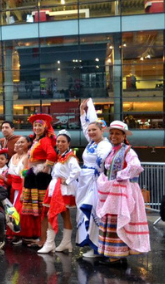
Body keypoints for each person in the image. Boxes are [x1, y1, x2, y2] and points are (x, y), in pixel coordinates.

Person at [94, 121, 150, 266]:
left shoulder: (128, 151)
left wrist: (120, 176)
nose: (113, 136)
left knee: (118, 220)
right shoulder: (113, 150)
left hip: (122, 190)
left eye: (117, 133)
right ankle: (115, 255)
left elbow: (136, 166)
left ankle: (116, 257)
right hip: (115, 190)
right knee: (113, 220)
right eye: (111, 133)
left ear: (123, 135)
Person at [77, 98, 111, 258]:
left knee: (94, 212)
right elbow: (85, 126)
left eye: (94, 130)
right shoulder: (91, 143)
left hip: (96, 183)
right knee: (84, 212)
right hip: (85, 182)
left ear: (102, 130)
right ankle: (90, 242)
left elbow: (104, 161)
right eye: (89, 131)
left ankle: (98, 247)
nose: (90, 133)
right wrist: (83, 112)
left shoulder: (105, 145)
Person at [39, 130, 80, 254]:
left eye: (63, 141)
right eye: (58, 141)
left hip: (63, 190)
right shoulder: (60, 156)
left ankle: (51, 243)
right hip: (56, 187)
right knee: (63, 214)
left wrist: (67, 181)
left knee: (53, 213)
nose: (60, 144)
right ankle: (65, 243)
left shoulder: (70, 157)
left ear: (69, 143)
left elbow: (77, 170)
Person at [22, 113, 57, 248]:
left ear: (45, 127)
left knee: (44, 210)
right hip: (34, 176)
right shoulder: (36, 141)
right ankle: (42, 239)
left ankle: (45, 241)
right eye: (35, 125)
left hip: (41, 178)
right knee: (40, 210)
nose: (37, 128)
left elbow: (52, 154)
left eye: (39, 125)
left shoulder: (44, 140)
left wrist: (46, 168)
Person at [6, 136, 30, 245]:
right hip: (13, 187)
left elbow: (25, 175)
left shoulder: (26, 158)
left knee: (19, 211)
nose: (18, 144)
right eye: (17, 142)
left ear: (28, 144)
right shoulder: (13, 156)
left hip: (21, 186)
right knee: (11, 211)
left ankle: (19, 234)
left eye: (22, 142)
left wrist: (24, 191)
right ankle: (13, 232)